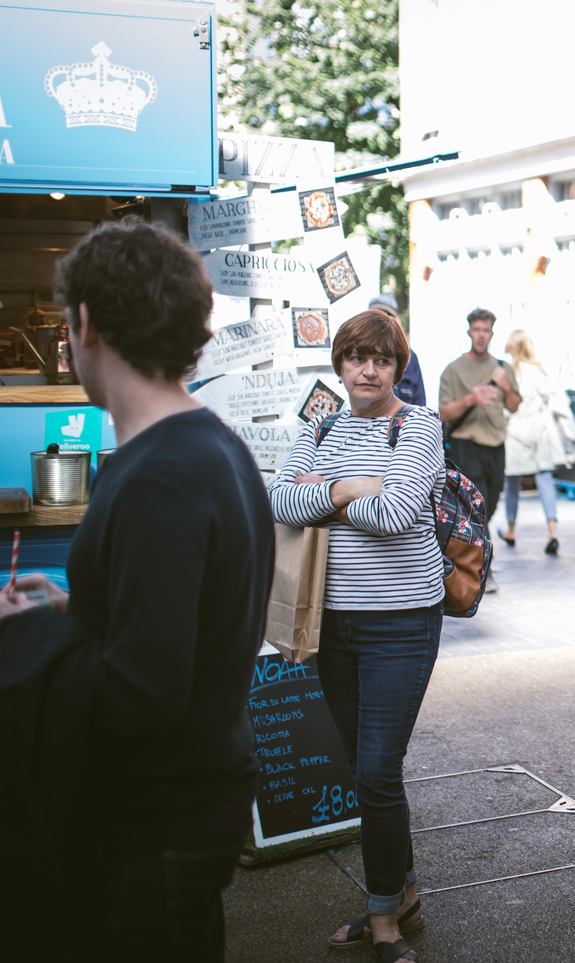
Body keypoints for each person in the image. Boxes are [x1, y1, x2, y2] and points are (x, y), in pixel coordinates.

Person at [0, 219, 273, 958]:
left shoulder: (161, 475)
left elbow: (144, 692)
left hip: (152, 831)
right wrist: (76, 609)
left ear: (85, 322)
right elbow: (180, 623)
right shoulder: (210, 444)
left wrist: (26, 634)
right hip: (189, 811)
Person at [267, 309, 445, 963]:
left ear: (398, 367)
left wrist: (327, 490)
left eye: (381, 359)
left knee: (377, 769)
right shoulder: (321, 425)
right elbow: (280, 502)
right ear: (339, 364)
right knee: (363, 768)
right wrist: (355, 485)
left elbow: (399, 513)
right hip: (332, 623)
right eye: (355, 357)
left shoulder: (418, 425)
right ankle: (404, 890)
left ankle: (385, 919)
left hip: (402, 621)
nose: (368, 369)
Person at [438, 307, 520, 592]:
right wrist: (471, 399)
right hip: (466, 444)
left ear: (492, 333)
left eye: (486, 330)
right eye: (477, 330)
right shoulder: (454, 369)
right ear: (469, 332)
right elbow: (444, 413)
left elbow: (513, 405)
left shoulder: (501, 367)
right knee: (479, 506)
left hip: (495, 444)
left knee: (493, 501)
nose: (481, 335)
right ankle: (484, 569)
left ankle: (474, 563)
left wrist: (506, 386)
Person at [500, 329, 574, 555]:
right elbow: (556, 401)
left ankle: (511, 529)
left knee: (511, 483)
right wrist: (569, 430)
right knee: (545, 480)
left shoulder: (506, 373)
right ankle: (552, 531)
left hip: (515, 431)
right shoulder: (539, 372)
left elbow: (503, 406)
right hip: (541, 431)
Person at [370, 293, 427, 406]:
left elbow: (420, 403)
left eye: (387, 315)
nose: (382, 322)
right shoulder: (357, 354)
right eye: (376, 316)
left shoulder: (410, 357)